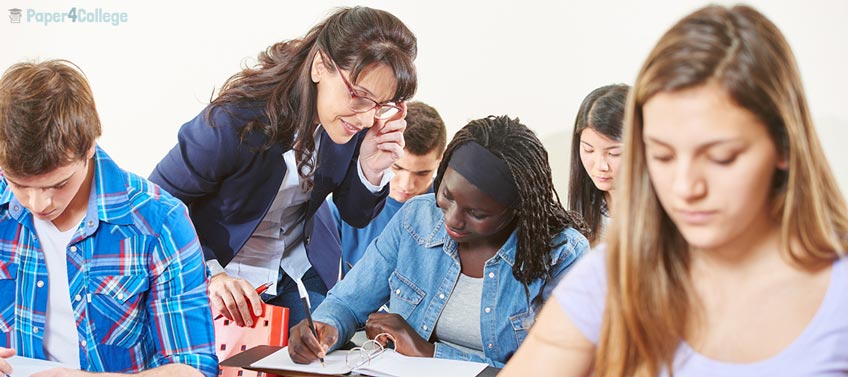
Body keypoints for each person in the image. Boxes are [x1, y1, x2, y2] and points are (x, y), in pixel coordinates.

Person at [501, 5, 848, 376]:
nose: (685, 187)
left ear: (783, 144)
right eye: (662, 156)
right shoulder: (611, 279)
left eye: (721, 157)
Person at [148, 6, 417, 329]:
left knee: (323, 354)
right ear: (320, 66)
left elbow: (354, 214)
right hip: (221, 273)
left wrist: (371, 168)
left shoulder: (352, 123)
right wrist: (210, 272)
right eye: (359, 96)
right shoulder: (232, 123)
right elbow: (157, 204)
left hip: (297, 270)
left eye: (380, 104)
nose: (366, 118)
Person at [287, 115, 589, 367]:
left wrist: (428, 353)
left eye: (476, 212)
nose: (453, 220)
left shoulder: (562, 255)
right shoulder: (417, 218)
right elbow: (347, 303)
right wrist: (326, 327)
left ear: (517, 209)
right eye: (446, 196)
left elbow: (555, 370)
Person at [0, 60, 217, 376]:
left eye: (58, 184)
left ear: (88, 147)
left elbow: (193, 368)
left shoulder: (159, 223)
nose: (38, 203)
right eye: (19, 184)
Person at [322, 100, 447, 277]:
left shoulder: (451, 211)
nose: (407, 185)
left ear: (440, 161)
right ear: (382, 148)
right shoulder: (345, 202)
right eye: (398, 168)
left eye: (422, 173)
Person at [567, 84, 629, 246]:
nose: (601, 166)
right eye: (588, 150)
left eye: (614, 153)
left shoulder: (665, 210)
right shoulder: (585, 208)